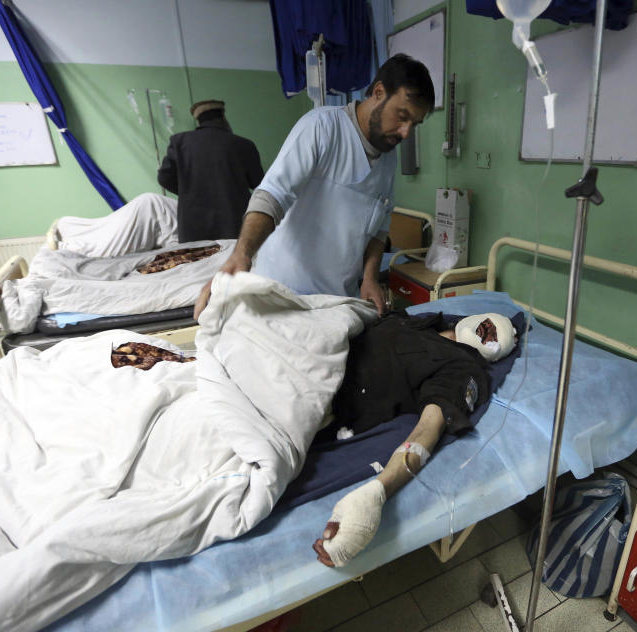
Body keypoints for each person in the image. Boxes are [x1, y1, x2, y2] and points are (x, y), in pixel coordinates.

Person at [193, 54, 435, 319]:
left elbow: (379, 228)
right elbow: (272, 195)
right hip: (283, 295)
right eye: (402, 116)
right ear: (378, 92)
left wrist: (369, 278)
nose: (406, 132)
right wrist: (241, 255)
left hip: (338, 303)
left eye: (415, 124)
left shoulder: (388, 159)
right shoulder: (322, 127)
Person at [312, 311, 518, 568]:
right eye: (489, 326)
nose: (487, 332)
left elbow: (429, 427)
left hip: (320, 393)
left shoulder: (462, 366)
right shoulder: (417, 321)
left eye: (492, 335)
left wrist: (374, 495)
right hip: (313, 344)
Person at [157, 99, 264, 243]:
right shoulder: (244, 145)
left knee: (198, 263)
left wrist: (189, 191)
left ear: (199, 120)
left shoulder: (179, 142)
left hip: (193, 228)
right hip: (234, 225)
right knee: (236, 264)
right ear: (223, 117)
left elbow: (164, 178)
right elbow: (259, 184)